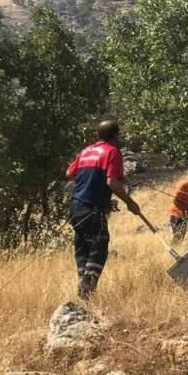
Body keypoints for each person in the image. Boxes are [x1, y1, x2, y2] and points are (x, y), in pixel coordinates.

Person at [66, 120, 140, 299]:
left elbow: (69, 174)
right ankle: (86, 290)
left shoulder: (85, 151)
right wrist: (130, 202)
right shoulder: (112, 151)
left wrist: (91, 176)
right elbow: (112, 182)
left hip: (76, 206)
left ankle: (84, 291)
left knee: (84, 247)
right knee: (100, 244)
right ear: (116, 136)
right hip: (93, 207)